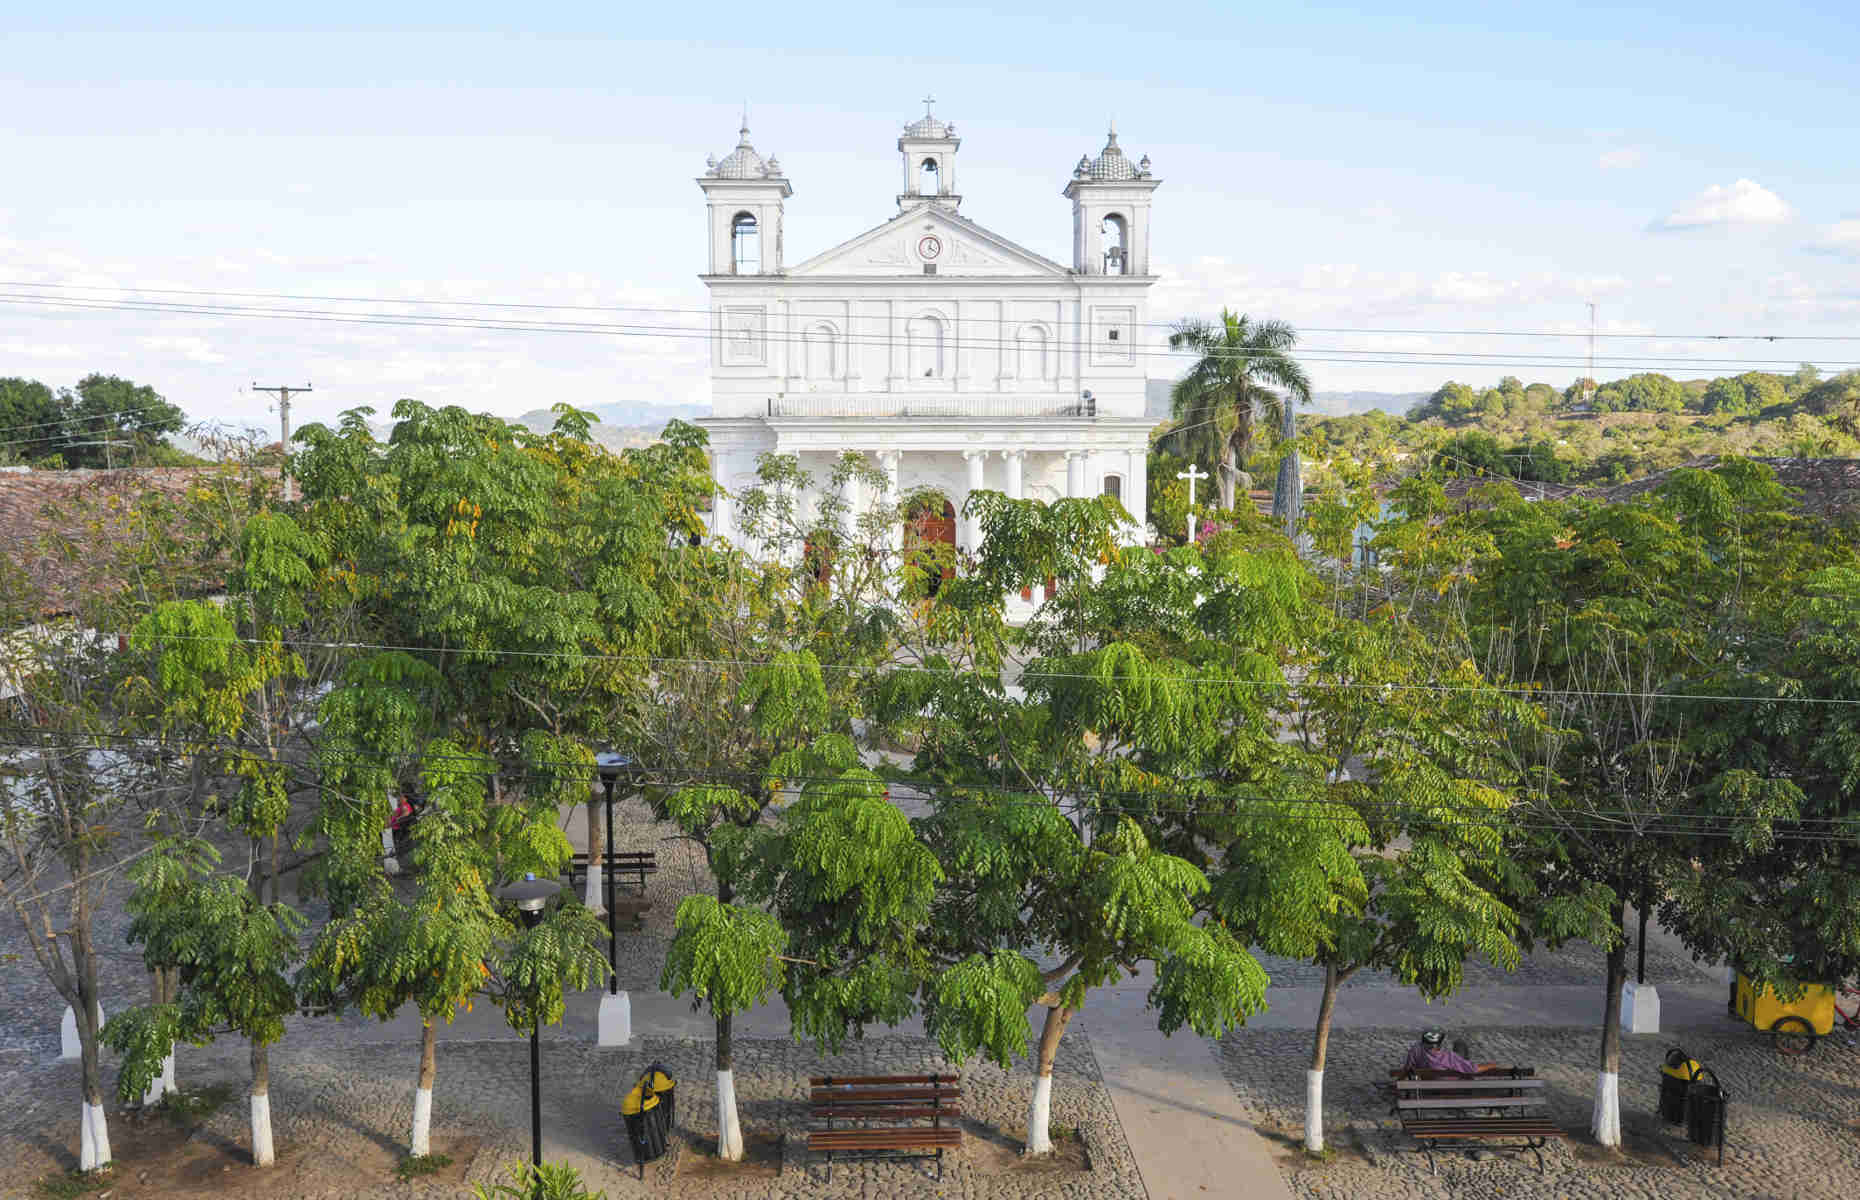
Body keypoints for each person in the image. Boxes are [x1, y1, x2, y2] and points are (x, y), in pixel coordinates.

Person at [1401, 1028, 1494, 1075]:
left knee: (1459, 1050)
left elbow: (1407, 1069)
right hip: (1449, 1089)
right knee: (1460, 1046)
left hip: (1425, 1090)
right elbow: (1473, 1069)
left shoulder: (1415, 1051)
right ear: (1440, 1043)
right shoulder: (1449, 1057)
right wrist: (1493, 1065)